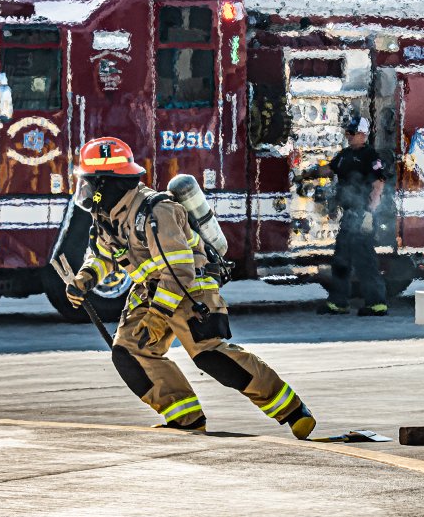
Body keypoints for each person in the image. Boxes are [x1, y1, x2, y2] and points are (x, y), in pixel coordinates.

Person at [59, 137, 317, 438]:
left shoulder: (158, 212)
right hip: (151, 291)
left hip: (191, 289)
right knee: (129, 352)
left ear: (107, 184)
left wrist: (157, 316)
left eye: (90, 184)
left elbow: (180, 272)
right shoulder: (108, 217)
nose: (86, 193)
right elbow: (103, 255)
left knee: (210, 355)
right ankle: (185, 417)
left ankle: (292, 409)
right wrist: (86, 278)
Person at [309, 116, 388, 316]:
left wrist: (370, 213)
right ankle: (338, 302)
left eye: (352, 133)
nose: (349, 136)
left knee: (365, 260)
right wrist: (308, 174)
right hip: (349, 216)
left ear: (363, 134)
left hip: (363, 214)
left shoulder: (371, 156)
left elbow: (378, 185)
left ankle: (377, 303)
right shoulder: (344, 155)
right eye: (347, 133)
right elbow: (330, 169)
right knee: (341, 259)